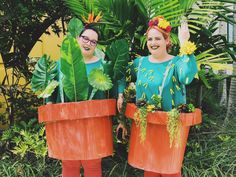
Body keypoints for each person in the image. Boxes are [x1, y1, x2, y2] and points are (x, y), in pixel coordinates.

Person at [117, 16, 198, 177]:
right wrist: (120, 94)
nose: (153, 42)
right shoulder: (140, 64)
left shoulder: (176, 63)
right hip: (148, 125)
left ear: (167, 41)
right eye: (150, 39)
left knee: (171, 170)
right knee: (150, 169)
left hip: (171, 127)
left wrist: (184, 43)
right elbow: (121, 75)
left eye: (158, 38)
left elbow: (187, 76)